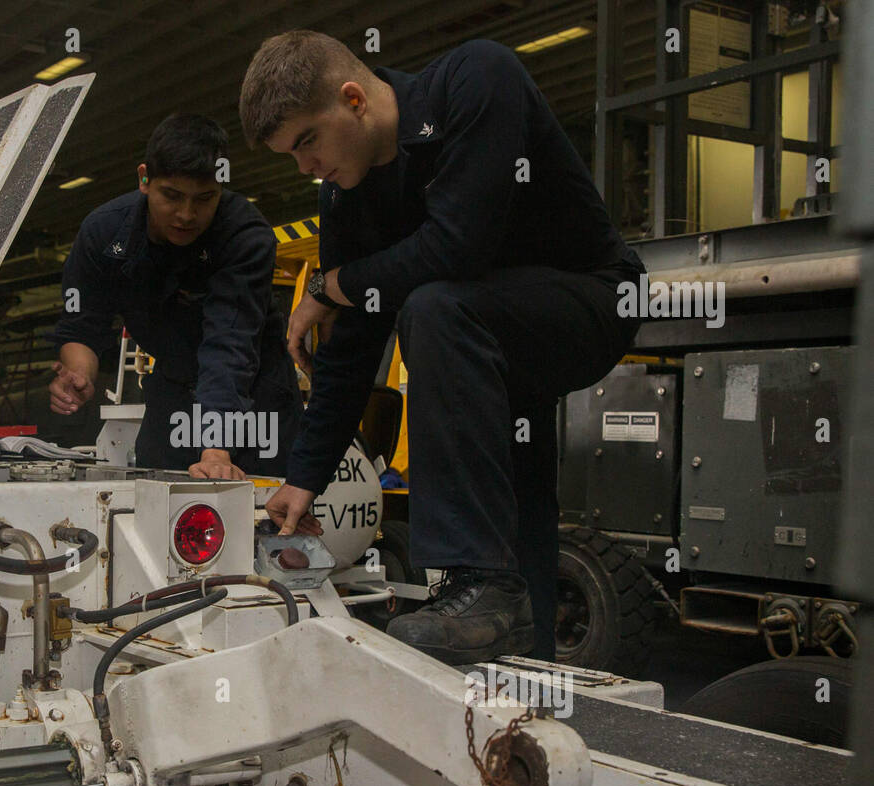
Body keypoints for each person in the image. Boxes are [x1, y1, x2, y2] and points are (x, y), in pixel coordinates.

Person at [239, 31, 645, 664]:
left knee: (433, 307)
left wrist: (335, 282)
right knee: (514, 486)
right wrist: (305, 477)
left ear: (353, 99)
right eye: (290, 156)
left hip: (592, 299)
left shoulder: (475, 81)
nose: (305, 167)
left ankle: (477, 581)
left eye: (306, 142)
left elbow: (459, 247)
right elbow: (352, 345)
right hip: (493, 337)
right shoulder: (345, 197)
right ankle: (522, 656)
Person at [50, 113, 301, 478]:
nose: (186, 214)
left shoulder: (244, 235)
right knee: (157, 498)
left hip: (254, 390)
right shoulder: (103, 234)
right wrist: (78, 374)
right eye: (172, 195)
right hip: (174, 382)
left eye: (204, 198)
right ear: (144, 179)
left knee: (260, 515)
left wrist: (216, 451)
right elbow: (82, 327)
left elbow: (228, 343)